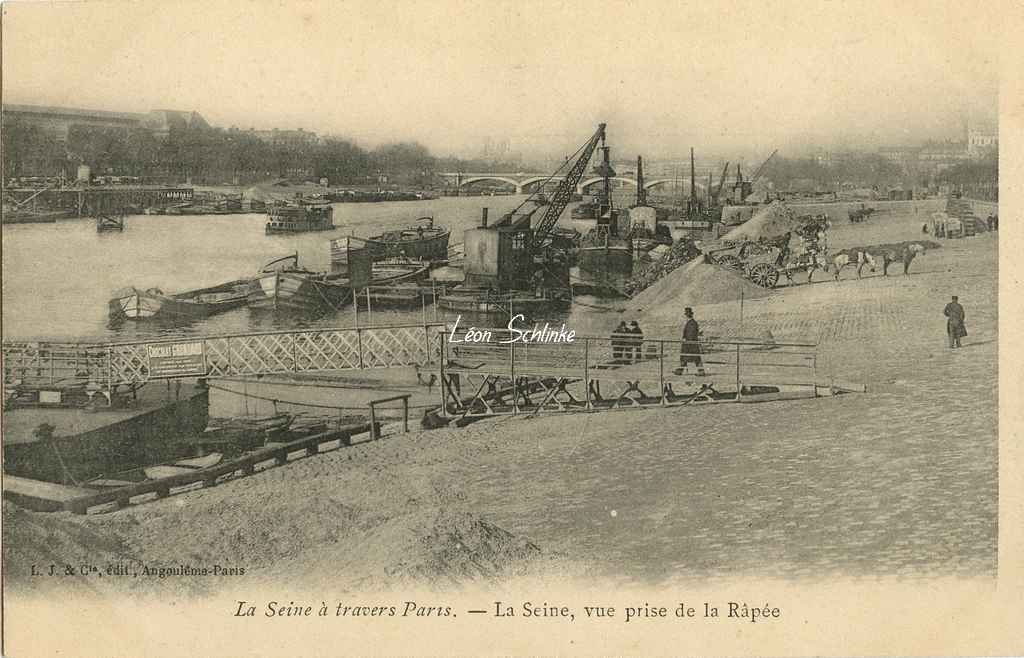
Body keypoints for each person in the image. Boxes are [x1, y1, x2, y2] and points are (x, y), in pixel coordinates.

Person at [676, 307, 706, 375]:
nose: (685, 316)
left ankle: (701, 372)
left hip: (690, 344)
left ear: (687, 315)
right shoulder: (691, 322)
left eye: (686, 315)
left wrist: (686, 341)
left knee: (693, 358)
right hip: (690, 343)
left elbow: (691, 334)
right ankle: (679, 371)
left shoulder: (691, 323)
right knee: (687, 357)